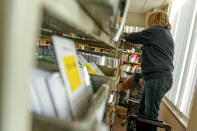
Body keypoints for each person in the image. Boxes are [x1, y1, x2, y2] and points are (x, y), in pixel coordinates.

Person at [117, 11, 174, 131]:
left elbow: (135, 37)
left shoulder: (156, 30)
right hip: (160, 78)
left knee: (150, 116)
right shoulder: (166, 34)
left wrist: (123, 35)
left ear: (154, 20)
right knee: (142, 113)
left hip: (158, 79)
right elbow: (155, 51)